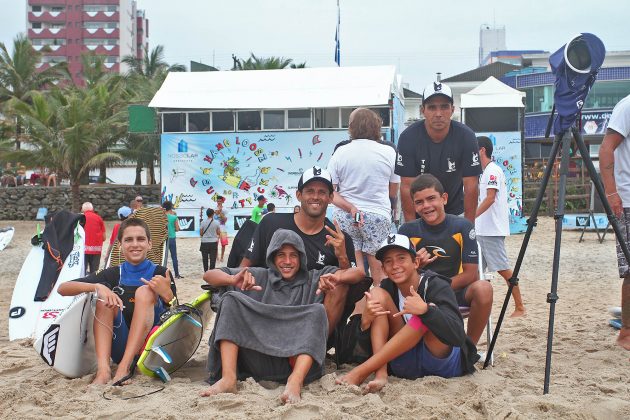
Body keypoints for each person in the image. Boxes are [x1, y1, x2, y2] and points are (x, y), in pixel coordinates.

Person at [203, 229, 364, 403]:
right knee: (230, 300)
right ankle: (228, 379)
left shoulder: (315, 278)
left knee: (317, 311)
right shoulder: (258, 275)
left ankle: (295, 382)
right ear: (272, 256)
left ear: (301, 257)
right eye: (281, 255)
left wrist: (337, 278)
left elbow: (359, 274)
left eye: (293, 255)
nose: (287, 261)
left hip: (295, 363)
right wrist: (232, 280)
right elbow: (208, 275)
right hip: (257, 360)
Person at [336, 234, 478, 393]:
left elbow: (457, 335)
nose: (395, 265)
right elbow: (350, 351)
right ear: (383, 269)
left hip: (440, 363)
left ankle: (361, 372)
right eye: (388, 261)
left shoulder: (436, 285)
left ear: (416, 262)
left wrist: (426, 311)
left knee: (425, 312)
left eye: (401, 258)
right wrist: (365, 322)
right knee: (376, 295)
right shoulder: (387, 288)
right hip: (404, 362)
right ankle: (381, 373)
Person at [241, 166, 364, 337]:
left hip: (309, 314)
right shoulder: (271, 223)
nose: (315, 196)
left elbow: (351, 283)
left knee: (339, 282)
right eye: (309, 191)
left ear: (330, 198)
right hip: (270, 304)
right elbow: (245, 266)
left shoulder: (340, 239)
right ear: (299, 195)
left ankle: (314, 349)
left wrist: (342, 256)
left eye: (322, 192)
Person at [58, 218, 177, 385]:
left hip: (151, 350)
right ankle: (104, 371)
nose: (135, 244)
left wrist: (167, 296)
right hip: (120, 347)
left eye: (140, 239)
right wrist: (98, 287)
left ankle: (123, 368)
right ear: (119, 246)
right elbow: (63, 288)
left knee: (144, 291)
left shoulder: (161, 273)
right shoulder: (112, 274)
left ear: (150, 244)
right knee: (103, 300)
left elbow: (177, 318)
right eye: (128, 240)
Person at [398, 174, 492, 345]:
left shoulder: (462, 226)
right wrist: (415, 265)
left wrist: (438, 289)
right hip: (420, 295)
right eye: (419, 202)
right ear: (414, 205)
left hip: (455, 293)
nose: (426, 206)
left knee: (484, 288)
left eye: (431, 199)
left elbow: (471, 274)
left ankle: (468, 348)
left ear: (444, 199)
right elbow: (398, 273)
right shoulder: (406, 231)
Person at [327, 108, 399, 284]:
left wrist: (351, 208)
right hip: (377, 216)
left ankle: (358, 309)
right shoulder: (389, 152)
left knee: (356, 272)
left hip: (346, 217)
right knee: (379, 272)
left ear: (351, 127)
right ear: (377, 126)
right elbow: (393, 191)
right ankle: (380, 306)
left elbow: (330, 193)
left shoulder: (340, 152)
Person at [395, 81, 481, 223]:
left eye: (444, 107)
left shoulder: (466, 136)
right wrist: (410, 227)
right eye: (432, 107)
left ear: (452, 109)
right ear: (423, 110)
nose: (438, 113)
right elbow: (406, 187)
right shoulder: (408, 137)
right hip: (420, 215)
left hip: (455, 213)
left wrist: (469, 226)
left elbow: (471, 185)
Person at [475, 136, 526, 317]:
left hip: (490, 230)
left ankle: (520, 306)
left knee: (503, 269)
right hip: (483, 229)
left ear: (482, 150)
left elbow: (490, 198)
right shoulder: (487, 171)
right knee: (476, 269)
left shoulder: (492, 171)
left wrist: (471, 216)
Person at [598, 92, 630, 350]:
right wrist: (611, 193)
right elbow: (606, 149)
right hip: (628, 199)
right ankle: (626, 334)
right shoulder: (627, 106)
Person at [82, 202, 106, 274]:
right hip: (96, 250)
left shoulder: (80, 219)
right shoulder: (99, 218)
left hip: (83, 250)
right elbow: (104, 237)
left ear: (83, 210)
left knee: (82, 272)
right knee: (95, 273)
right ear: (92, 209)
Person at [162, 200, 182, 279]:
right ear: (170, 207)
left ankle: (163, 274)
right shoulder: (174, 217)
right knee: (174, 257)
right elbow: (177, 229)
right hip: (172, 238)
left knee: (164, 257)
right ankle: (176, 274)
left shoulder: (161, 217)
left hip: (164, 238)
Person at [215, 196, 229, 263]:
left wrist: (220, 212)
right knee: (215, 243)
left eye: (220, 201)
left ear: (222, 201)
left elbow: (225, 220)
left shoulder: (225, 209)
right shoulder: (214, 209)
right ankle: (216, 256)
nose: (219, 202)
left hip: (223, 228)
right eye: (218, 201)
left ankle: (222, 257)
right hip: (215, 228)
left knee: (223, 244)